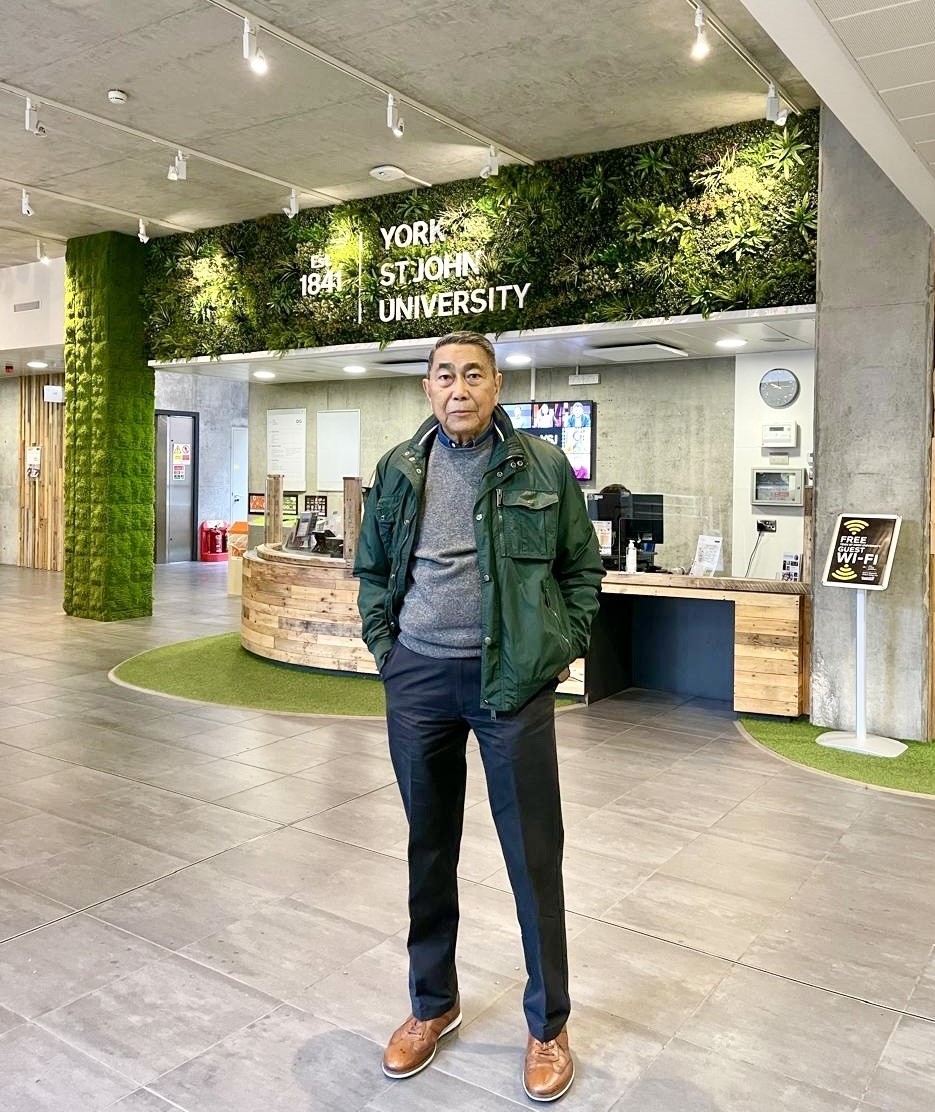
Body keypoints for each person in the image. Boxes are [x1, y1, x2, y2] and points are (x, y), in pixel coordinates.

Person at [355, 330, 604, 1102]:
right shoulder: (398, 467)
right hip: (419, 679)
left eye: (472, 375)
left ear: (496, 385)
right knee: (427, 849)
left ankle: (547, 1026)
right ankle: (432, 1005)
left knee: (533, 855)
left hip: (510, 686)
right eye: (443, 376)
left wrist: (553, 651)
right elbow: (370, 569)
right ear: (426, 389)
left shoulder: (543, 465)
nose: (457, 388)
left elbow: (581, 570)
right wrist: (387, 651)